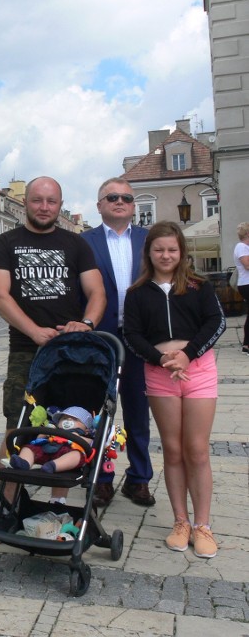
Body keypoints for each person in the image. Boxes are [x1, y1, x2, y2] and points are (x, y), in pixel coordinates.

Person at [0, 176, 106, 504]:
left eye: (51, 201)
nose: (44, 207)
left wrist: (86, 323)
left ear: (59, 205)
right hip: (27, 350)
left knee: (70, 423)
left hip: (69, 351)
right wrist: (34, 332)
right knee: (17, 423)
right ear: (26, 202)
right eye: (38, 200)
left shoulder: (76, 244)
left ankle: (58, 504)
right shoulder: (5, 243)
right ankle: (8, 500)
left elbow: (97, 292)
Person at [123, 221, 225, 558]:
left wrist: (187, 354)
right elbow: (133, 335)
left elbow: (216, 322)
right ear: (149, 253)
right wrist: (161, 358)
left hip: (198, 371)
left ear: (181, 252)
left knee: (197, 449)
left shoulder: (199, 287)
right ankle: (180, 521)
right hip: (159, 374)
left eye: (172, 249)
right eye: (159, 249)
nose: (166, 255)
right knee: (173, 450)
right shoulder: (137, 293)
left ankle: (203, 525)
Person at [81, 177, 154, 508]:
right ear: (100, 206)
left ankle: (139, 479)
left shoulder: (150, 240)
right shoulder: (84, 243)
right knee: (100, 412)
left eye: (126, 197)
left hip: (141, 340)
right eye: (112, 197)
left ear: (133, 205)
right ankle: (102, 478)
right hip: (102, 339)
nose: (120, 201)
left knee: (139, 411)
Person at [8, 407, 95, 473]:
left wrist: (78, 438)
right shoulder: (53, 429)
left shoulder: (83, 435)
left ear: (86, 430)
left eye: (75, 419)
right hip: (44, 450)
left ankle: (53, 466)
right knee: (28, 448)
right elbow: (38, 440)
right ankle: (24, 463)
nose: (68, 420)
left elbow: (91, 444)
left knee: (77, 455)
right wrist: (45, 433)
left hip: (67, 452)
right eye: (64, 418)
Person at [234, 222, 249, 355]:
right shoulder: (242, 247)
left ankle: (247, 344)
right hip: (246, 284)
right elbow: (247, 265)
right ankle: (247, 344)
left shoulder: (244, 247)